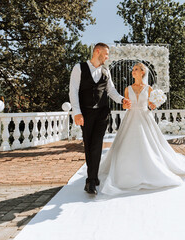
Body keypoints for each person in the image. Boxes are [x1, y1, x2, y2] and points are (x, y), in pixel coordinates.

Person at [98, 62, 185, 196]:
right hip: (131, 117)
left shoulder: (149, 88)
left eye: (136, 69)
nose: (133, 72)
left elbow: (152, 105)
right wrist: (126, 105)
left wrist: (153, 104)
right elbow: (125, 105)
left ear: (142, 72)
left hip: (145, 117)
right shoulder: (128, 89)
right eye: (132, 70)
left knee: (150, 143)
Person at [69, 43, 131, 195]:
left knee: (96, 144)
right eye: (106, 54)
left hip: (102, 113)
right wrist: (77, 112)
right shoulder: (79, 68)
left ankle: (91, 180)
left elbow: (111, 91)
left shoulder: (105, 70)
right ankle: (93, 177)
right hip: (86, 113)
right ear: (98, 51)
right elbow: (73, 91)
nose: (107, 57)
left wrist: (122, 100)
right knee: (89, 145)